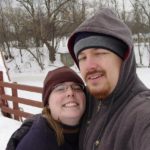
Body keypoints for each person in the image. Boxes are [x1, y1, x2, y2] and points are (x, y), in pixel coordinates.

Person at [67, 8, 150, 150]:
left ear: (123, 58)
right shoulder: (86, 98)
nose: (89, 66)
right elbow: (52, 114)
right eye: (82, 58)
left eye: (99, 53)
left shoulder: (141, 113)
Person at [6, 66, 86, 150]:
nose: (71, 92)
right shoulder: (37, 143)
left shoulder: (93, 129)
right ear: (47, 103)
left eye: (77, 88)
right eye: (60, 89)